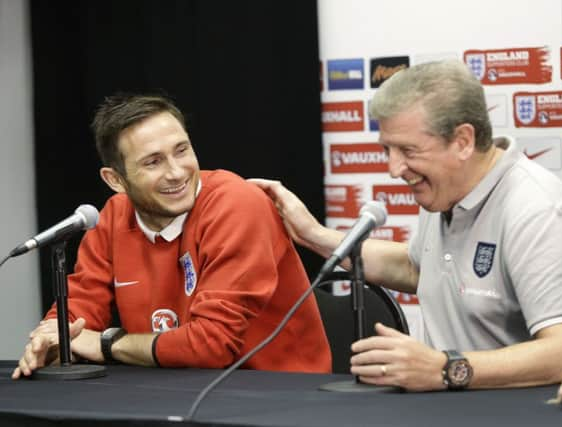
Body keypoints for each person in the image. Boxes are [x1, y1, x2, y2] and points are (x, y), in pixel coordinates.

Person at [250, 59, 562, 391]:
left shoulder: (536, 208)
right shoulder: (444, 189)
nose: (394, 168)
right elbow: (417, 269)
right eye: (387, 149)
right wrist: (313, 234)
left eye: (407, 150)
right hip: (451, 410)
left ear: (462, 141)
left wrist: (446, 368)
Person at [13, 94, 331, 378]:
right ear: (115, 180)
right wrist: (54, 338)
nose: (177, 172)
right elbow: (81, 303)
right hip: (170, 386)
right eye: (153, 162)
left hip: (276, 393)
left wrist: (107, 343)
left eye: (182, 150)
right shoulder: (113, 216)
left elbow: (211, 344)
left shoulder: (236, 202)